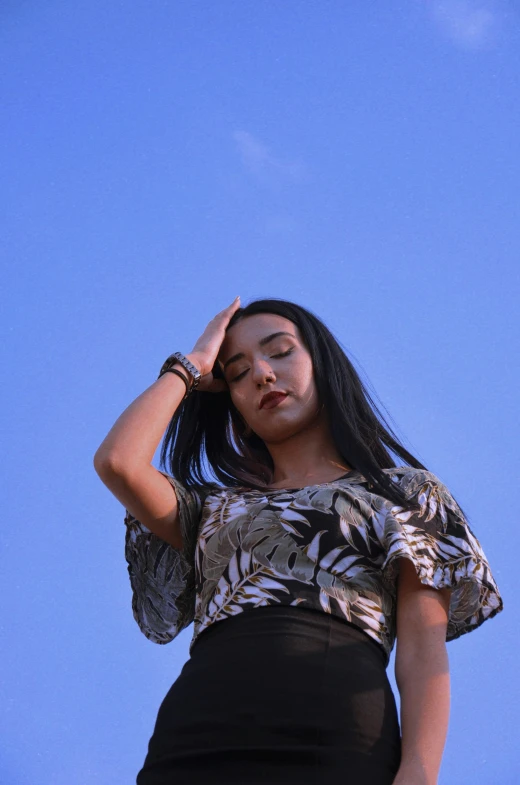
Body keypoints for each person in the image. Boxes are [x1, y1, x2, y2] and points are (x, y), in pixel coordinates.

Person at [94, 295, 503, 785]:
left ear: (322, 365)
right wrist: (191, 364)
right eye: (238, 372)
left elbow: (422, 649)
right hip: (196, 736)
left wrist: (418, 771)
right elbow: (118, 462)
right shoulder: (210, 509)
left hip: (338, 735)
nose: (262, 375)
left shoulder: (404, 492)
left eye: (280, 351)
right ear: (235, 406)